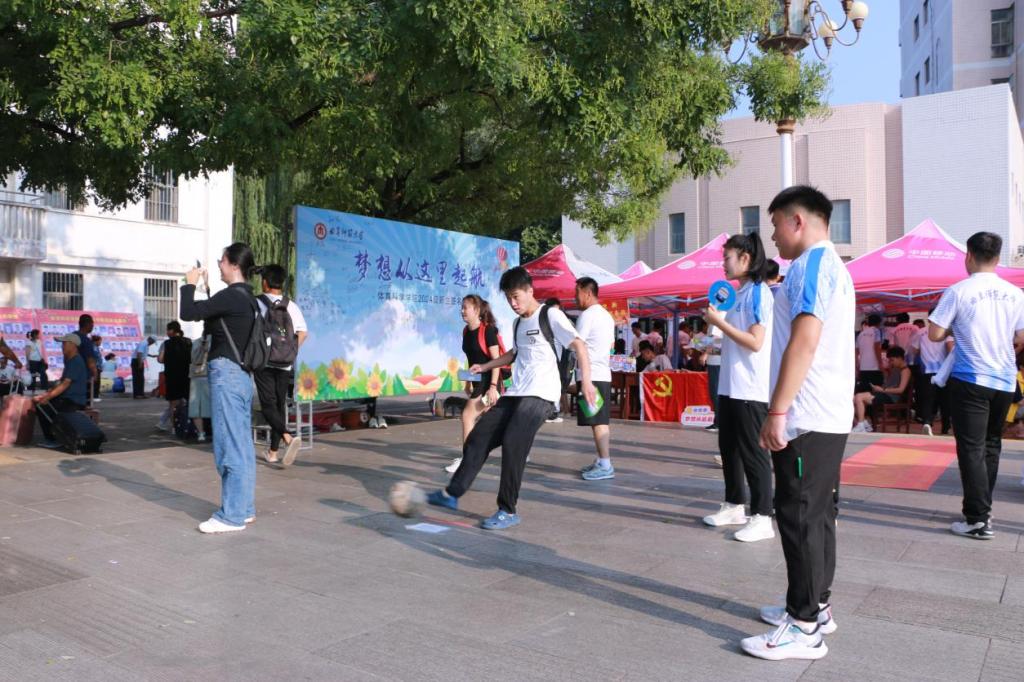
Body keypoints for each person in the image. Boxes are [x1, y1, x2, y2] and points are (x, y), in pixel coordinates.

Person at [742, 185, 855, 661]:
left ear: (797, 221)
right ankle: (815, 606)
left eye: (775, 225)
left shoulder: (811, 264)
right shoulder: (833, 266)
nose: (772, 236)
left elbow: (804, 341)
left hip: (807, 414)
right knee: (818, 514)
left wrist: (777, 411)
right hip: (825, 412)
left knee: (800, 515)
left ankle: (804, 625)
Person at [426, 266, 595, 530]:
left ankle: (507, 510)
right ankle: (452, 494)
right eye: (508, 298)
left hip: (542, 394)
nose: (513, 303)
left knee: (513, 441)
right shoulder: (517, 323)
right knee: (479, 436)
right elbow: (513, 354)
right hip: (517, 392)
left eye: (516, 296)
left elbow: (579, 346)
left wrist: (587, 382)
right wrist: (485, 366)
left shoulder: (550, 315)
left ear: (530, 291)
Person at [929, 231, 1024, 540]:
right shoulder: (1015, 293)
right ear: (998, 258)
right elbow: (1021, 336)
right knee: (992, 444)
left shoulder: (958, 291)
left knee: (971, 448)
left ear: (968, 256)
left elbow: (934, 334)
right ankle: (983, 509)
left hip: (970, 378)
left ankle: (977, 519)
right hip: (1005, 379)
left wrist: (955, 330)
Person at [180, 242, 261, 534]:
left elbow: (188, 312)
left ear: (234, 265)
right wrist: (206, 289)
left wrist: (189, 284)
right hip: (242, 376)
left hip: (226, 373)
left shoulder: (231, 297)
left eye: (222, 261)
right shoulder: (248, 299)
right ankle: (244, 509)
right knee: (242, 445)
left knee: (228, 444)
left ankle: (231, 516)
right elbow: (215, 319)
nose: (218, 265)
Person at [702, 231, 775, 543]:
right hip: (730, 386)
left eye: (727, 258)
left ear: (745, 258)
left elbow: (756, 342)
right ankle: (734, 505)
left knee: (754, 455)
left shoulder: (759, 293)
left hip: (750, 389)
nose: (723, 264)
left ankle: (762, 517)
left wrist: (720, 324)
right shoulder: (738, 294)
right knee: (729, 450)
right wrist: (714, 330)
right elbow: (733, 339)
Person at [254, 264, 309, 467]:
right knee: (279, 405)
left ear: (265, 282)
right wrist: (291, 351)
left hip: (264, 362)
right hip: (285, 363)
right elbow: (303, 333)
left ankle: (287, 437)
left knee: (268, 406)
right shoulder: (291, 306)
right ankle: (273, 452)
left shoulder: (257, 303)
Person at [446, 294, 503, 473]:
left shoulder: (488, 331)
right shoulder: (466, 331)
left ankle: (467, 460)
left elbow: (497, 361)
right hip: (477, 380)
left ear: (477, 310)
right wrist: (467, 382)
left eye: (466, 307)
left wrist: (493, 387)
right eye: (461, 307)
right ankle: (518, 447)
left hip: (490, 380)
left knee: (467, 416)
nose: (462, 311)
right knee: (495, 420)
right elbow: (472, 359)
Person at [574, 277, 617, 481]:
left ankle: (606, 464)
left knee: (598, 421)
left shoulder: (587, 315)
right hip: (601, 374)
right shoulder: (606, 316)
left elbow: (578, 345)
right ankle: (601, 460)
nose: (575, 298)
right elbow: (611, 346)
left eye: (577, 293)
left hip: (591, 377)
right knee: (597, 421)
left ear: (587, 293)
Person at [33, 333, 90, 448]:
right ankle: (55, 437)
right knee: (41, 403)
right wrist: (48, 393)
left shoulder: (76, 361)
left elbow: (65, 384)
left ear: (72, 345)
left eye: (64, 344)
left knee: (43, 406)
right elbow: (61, 382)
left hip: (73, 400)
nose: (62, 346)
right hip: (67, 397)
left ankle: (53, 439)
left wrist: (48, 397)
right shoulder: (70, 360)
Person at [851, 346, 912, 433]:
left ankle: (861, 424)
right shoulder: (895, 369)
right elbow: (888, 384)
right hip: (885, 394)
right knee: (854, 399)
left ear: (899, 358)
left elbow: (900, 390)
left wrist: (882, 390)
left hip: (891, 398)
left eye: (892, 360)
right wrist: (879, 388)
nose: (891, 362)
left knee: (859, 397)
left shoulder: (905, 371)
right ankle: (864, 423)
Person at [913, 307, 953, 436]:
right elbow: (950, 349)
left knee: (928, 398)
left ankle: (927, 422)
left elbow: (915, 350)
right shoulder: (946, 331)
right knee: (945, 399)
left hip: (926, 371)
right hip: (944, 371)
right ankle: (946, 427)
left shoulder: (920, 332)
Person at [158, 321, 192, 433]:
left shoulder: (166, 343)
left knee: (173, 404)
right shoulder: (189, 342)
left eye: (168, 330)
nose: (167, 332)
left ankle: (174, 428)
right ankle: (188, 426)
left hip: (172, 377)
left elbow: (160, 359)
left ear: (172, 330)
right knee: (188, 402)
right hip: (186, 376)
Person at [544, 297, 574, 423]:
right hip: (549, 357)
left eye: (558, 310)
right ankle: (551, 411)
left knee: (559, 382)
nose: (555, 313)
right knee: (552, 382)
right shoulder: (543, 321)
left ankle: (555, 411)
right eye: (553, 310)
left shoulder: (563, 320)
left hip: (561, 357)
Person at [189, 327, 213, 442]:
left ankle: (201, 433)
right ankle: (216, 432)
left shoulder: (196, 342)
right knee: (215, 406)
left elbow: (193, 359)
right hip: (212, 376)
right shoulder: (217, 341)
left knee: (196, 407)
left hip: (197, 376)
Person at [72, 315, 98, 405]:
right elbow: (90, 360)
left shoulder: (72, 336)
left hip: (71, 372)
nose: (92, 326)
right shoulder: (86, 340)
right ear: (87, 324)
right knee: (84, 403)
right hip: (83, 375)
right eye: (92, 324)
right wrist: (95, 373)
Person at [856, 314, 884, 389]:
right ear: (879, 323)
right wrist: (880, 363)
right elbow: (877, 347)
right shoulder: (876, 331)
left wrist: (857, 365)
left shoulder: (860, 334)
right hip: (874, 367)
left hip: (863, 367)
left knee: (865, 390)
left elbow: (856, 351)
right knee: (876, 390)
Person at [90, 335, 103, 400]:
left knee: (96, 381)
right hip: (95, 367)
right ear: (96, 341)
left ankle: (95, 395)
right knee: (96, 382)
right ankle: (95, 396)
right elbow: (95, 357)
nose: (100, 343)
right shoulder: (93, 347)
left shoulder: (96, 347)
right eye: (100, 341)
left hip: (97, 366)